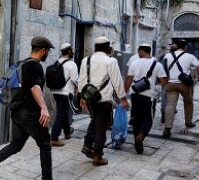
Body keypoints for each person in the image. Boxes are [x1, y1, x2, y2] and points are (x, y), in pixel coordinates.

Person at [0, 36, 68, 180]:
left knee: (16, 145)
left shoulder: (22, 64)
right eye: (48, 51)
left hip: (17, 112)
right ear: (43, 50)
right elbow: (34, 87)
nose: (48, 54)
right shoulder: (35, 66)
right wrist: (44, 107)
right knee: (45, 145)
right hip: (30, 114)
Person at [78, 36, 128, 166]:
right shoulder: (110, 61)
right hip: (104, 99)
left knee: (94, 121)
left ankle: (88, 145)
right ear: (107, 47)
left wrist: (82, 97)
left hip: (89, 98)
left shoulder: (86, 60)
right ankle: (98, 156)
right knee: (101, 127)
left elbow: (81, 80)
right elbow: (117, 81)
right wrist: (123, 99)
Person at [124, 44, 167, 154]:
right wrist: (154, 81)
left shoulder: (134, 63)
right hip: (149, 96)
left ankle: (136, 140)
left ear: (142, 51)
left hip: (135, 94)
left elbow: (128, 80)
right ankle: (141, 136)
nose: (138, 53)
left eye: (139, 51)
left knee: (136, 119)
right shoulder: (157, 64)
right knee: (148, 119)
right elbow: (164, 82)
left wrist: (123, 94)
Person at [161, 38, 199, 138]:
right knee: (188, 102)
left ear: (176, 46)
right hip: (184, 84)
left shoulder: (167, 56)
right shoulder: (190, 56)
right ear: (185, 47)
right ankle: (188, 122)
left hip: (170, 84)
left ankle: (167, 128)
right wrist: (198, 79)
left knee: (170, 105)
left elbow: (161, 68)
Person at [48, 42, 79, 145]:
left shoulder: (57, 62)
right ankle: (54, 137)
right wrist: (78, 90)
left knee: (63, 111)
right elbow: (75, 80)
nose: (73, 51)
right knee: (61, 113)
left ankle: (67, 132)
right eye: (72, 50)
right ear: (69, 51)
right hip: (65, 92)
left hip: (55, 91)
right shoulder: (72, 64)